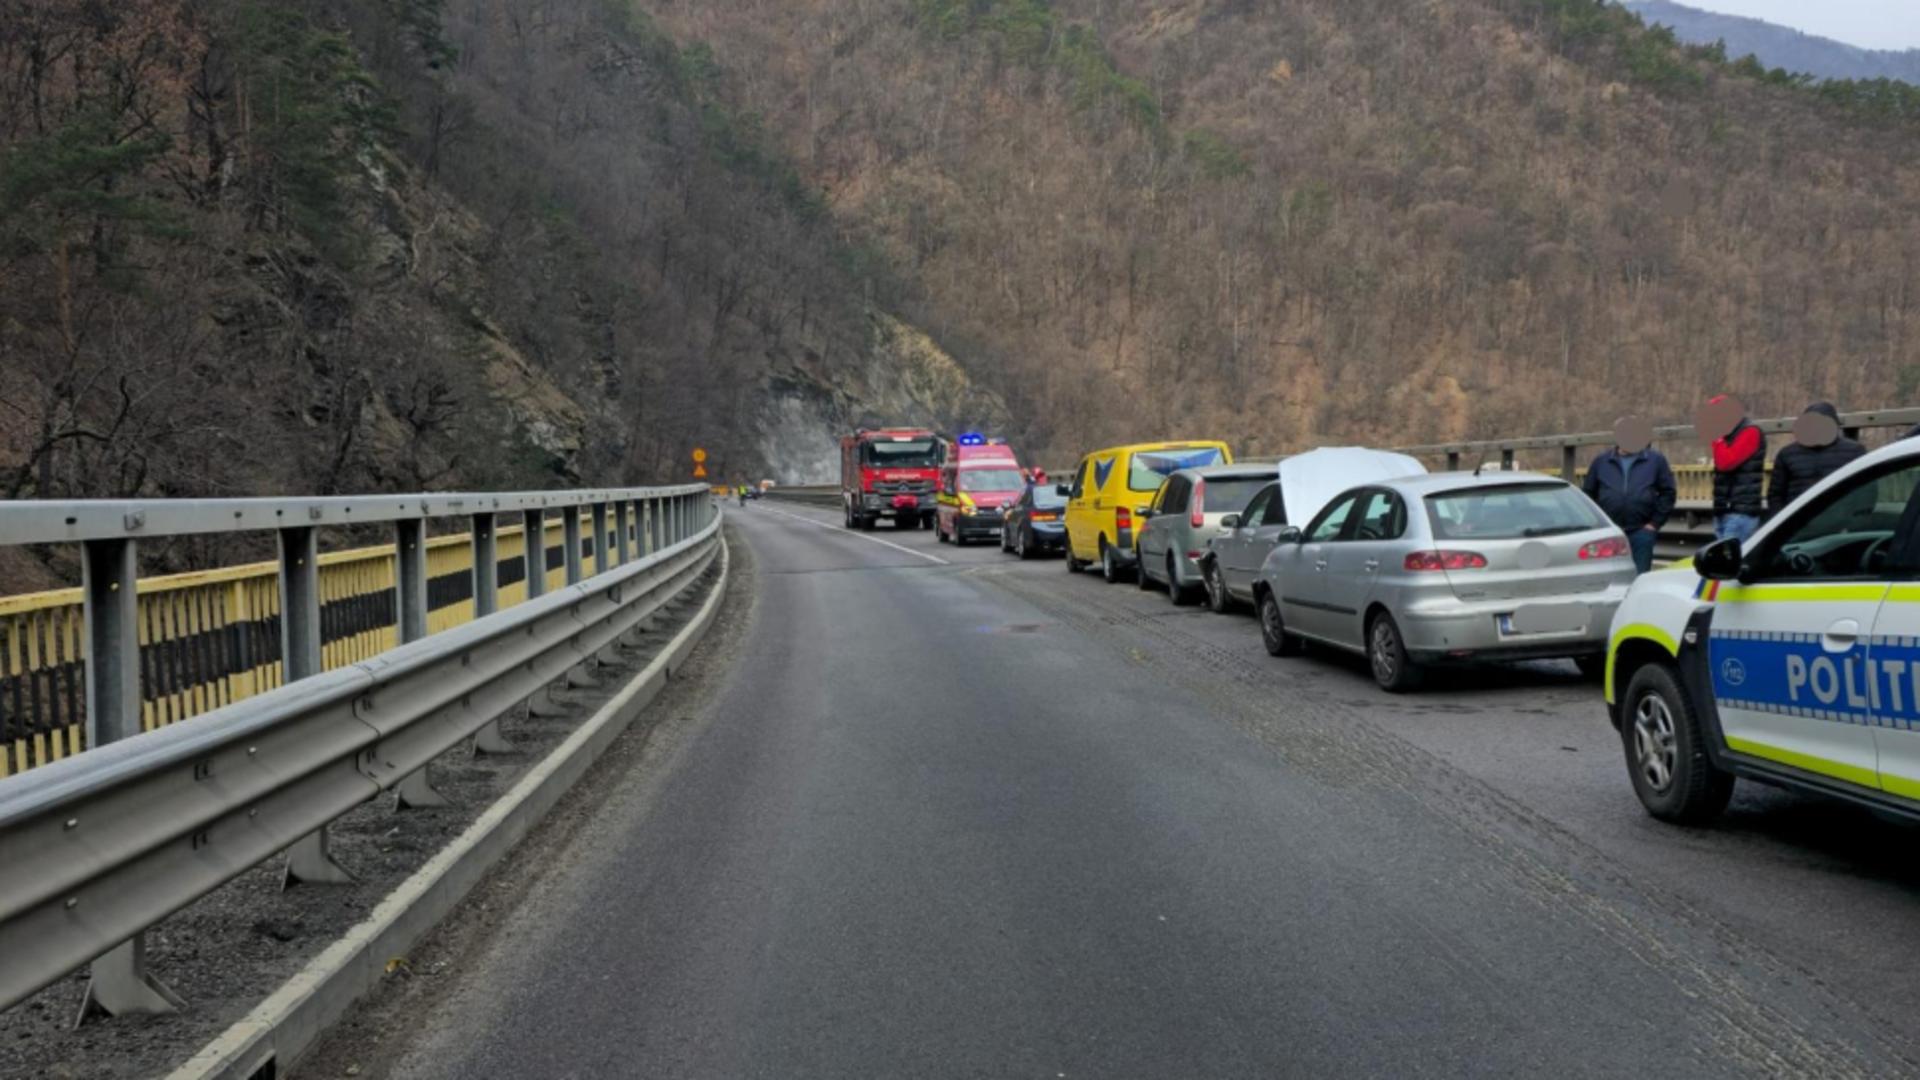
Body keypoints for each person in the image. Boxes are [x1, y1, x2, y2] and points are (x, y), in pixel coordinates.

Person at [1582, 424, 1677, 575]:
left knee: (1639, 578)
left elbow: (1668, 492)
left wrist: (1654, 523)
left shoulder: (1655, 460)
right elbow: (1587, 494)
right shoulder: (1601, 461)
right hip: (1609, 532)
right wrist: (1595, 523)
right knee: (1608, 578)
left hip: (1641, 531)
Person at [1768, 402, 1865, 517]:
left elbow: (1866, 490)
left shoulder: (1854, 451)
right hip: (1798, 522)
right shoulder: (1787, 454)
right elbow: (1775, 495)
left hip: (1841, 520)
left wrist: (1858, 517)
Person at [1708, 396, 1766, 544]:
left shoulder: (1750, 432)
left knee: (1732, 562)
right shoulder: (1728, 435)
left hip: (1740, 512)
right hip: (1724, 510)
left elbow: (1726, 463)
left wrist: (1717, 438)